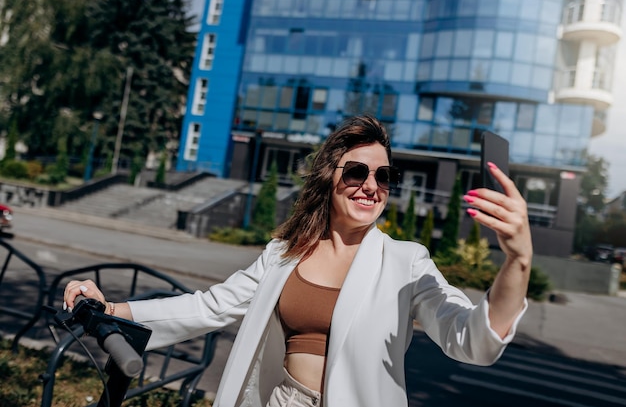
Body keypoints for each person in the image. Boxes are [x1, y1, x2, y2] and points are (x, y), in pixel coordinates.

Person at [64, 115, 532, 407]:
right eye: (357, 171)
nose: (371, 185)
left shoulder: (406, 262)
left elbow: (471, 339)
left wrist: (518, 262)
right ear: (329, 177)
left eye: (384, 176)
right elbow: (210, 307)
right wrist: (111, 311)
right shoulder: (283, 254)